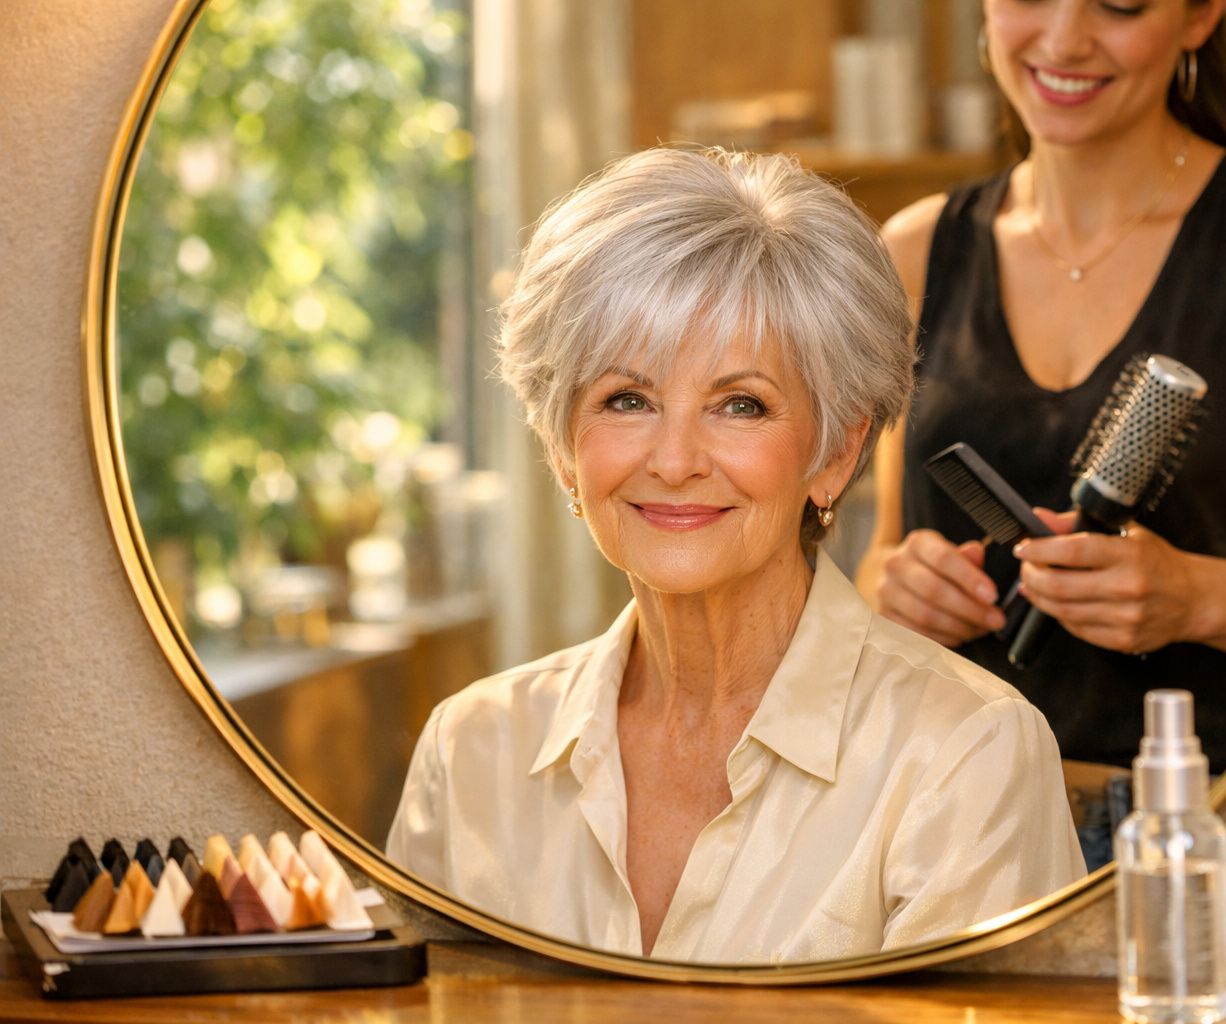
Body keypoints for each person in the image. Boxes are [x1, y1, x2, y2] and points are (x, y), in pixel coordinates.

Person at [387, 147, 1084, 964]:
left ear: (834, 453)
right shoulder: (470, 749)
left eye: (740, 404)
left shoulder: (971, 753)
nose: (676, 459)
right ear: (564, 452)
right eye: (627, 399)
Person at [857, 0, 1226, 777]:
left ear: (1200, 18)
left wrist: (1201, 598)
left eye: (1120, 3)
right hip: (963, 833)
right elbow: (880, 557)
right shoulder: (917, 254)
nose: (1064, 39)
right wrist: (898, 592)